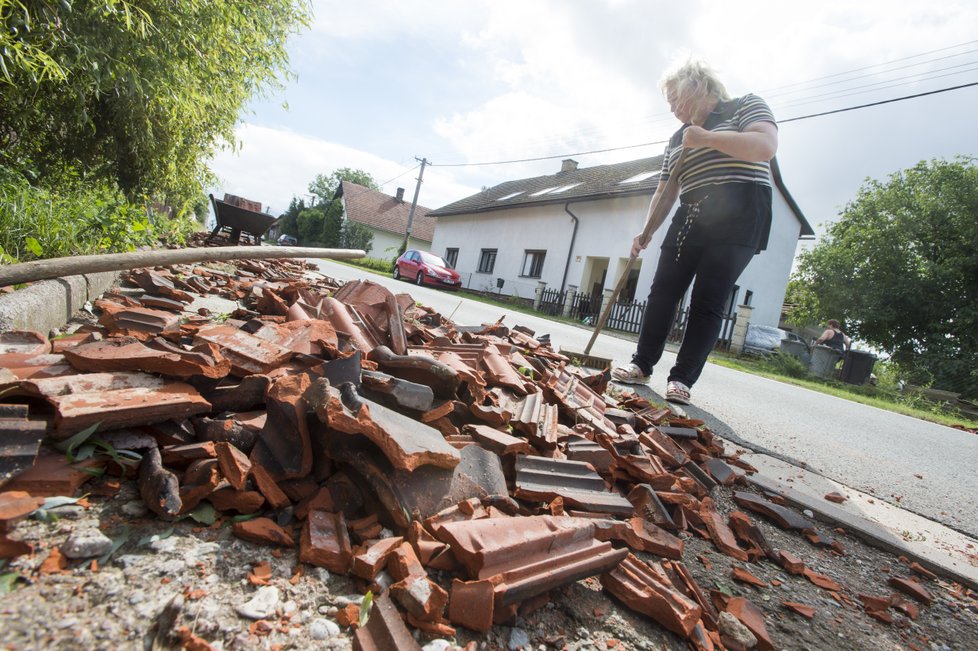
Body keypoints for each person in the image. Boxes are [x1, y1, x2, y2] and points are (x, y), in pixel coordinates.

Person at [611, 59, 779, 406]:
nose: (672, 108)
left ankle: (682, 379)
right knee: (663, 290)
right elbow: (665, 190)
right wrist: (646, 230)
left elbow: (764, 146)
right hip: (692, 211)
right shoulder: (676, 138)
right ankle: (642, 365)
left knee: (708, 298)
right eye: (669, 102)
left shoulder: (744, 105)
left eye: (675, 98)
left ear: (697, 86)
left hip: (741, 208)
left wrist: (707, 139)